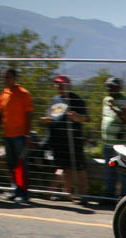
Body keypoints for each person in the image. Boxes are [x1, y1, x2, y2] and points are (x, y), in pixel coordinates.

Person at [40, 74, 89, 205]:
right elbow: (50, 116)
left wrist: (77, 117)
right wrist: (45, 120)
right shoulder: (55, 100)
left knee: (79, 168)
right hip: (58, 141)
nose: (58, 86)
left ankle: (84, 195)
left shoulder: (76, 99)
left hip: (74, 140)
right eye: (57, 84)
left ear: (68, 85)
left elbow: (85, 117)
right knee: (65, 168)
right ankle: (70, 196)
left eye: (61, 84)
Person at [0, 68, 34, 203]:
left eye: (8, 77)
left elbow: (29, 115)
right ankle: (16, 190)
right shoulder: (2, 95)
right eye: (4, 77)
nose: (6, 79)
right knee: (11, 165)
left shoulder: (24, 94)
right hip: (7, 135)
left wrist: (27, 134)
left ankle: (24, 193)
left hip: (20, 135)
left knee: (21, 165)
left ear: (15, 78)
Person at [101, 76, 126, 203]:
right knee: (109, 172)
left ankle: (125, 200)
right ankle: (108, 197)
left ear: (120, 88)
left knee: (123, 173)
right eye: (108, 86)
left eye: (113, 87)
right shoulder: (106, 100)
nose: (110, 89)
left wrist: (118, 111)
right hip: (108, 144)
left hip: (122, 146)